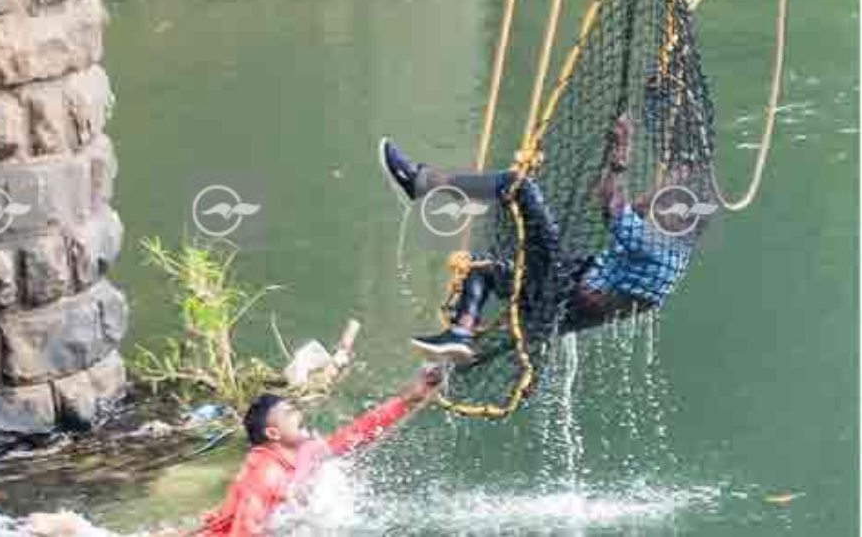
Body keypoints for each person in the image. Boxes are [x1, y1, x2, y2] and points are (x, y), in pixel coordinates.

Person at [380, 114, 701, 362]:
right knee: (484, 272)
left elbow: (611, 203)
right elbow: (620, 203)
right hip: (555, 313)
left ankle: (421, 183)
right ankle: (459, 335)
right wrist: (672, 174)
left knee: (518, 186)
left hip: (561, 289)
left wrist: (621, 151)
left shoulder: (653, 243)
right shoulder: (672, 254)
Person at [197, 365, 442, 537]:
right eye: (289, 413)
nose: (298, 413)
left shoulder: (306, 450)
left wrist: (408, 399)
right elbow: (245, 531)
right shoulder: (265, 475)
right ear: (273, 434)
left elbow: (354, 435)